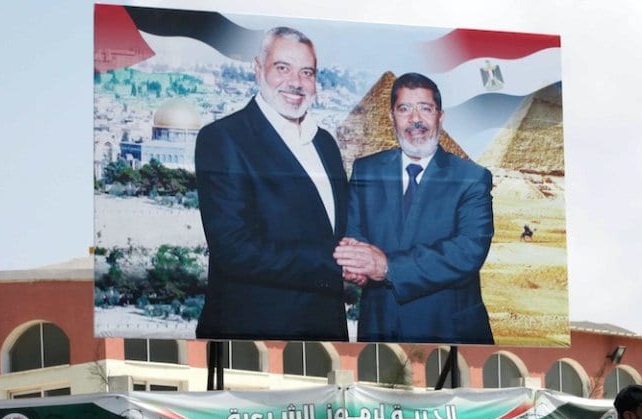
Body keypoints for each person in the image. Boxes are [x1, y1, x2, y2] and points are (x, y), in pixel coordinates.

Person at [194, 26, 349, 341]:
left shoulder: (326, 144)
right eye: (283, 68)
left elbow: (336, 230)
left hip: (325, 337)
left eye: (307, 72)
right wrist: (337, 263)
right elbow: (234, 249)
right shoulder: (223, 139)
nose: (296, 82)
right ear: (257, 69)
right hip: (252, 341)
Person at [338, 72, 495, 344]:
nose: (415, 120)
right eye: (404, 109)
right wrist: (356, 266)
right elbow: (354, 232)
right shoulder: (366, 170)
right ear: (391, 118)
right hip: (379, 330)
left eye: (425, 108)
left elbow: (468, 251)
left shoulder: (472, 177)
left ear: (440, 117)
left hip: (448, 333)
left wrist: (388, 267)